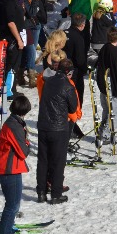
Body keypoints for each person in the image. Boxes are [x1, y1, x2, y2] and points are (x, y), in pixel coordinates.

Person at [36, 59, 78, 204]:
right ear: (69, 72)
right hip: (59, 128)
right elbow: (73, 108)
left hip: (43, 126)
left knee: (43, 160)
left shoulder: (47, 81)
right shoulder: (68, 86)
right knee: (58, 161)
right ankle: (56, 193)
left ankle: (41, 192)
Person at [0, 95, 32, 234]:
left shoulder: (14, 122)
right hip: (9, 170)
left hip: (10, 169)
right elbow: (23, 152)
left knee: (13, 206)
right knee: (12, 206)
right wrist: (27, 144)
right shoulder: (14, 125)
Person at [0, 0, 26, 93]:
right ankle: (9, 91)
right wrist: (18, 39)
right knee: (12, 65)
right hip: (12, 38)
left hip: (16, 36)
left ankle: (11, 89)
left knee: (15, 64)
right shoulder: (9, 1)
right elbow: (11, 23)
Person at [64, 12, 88, 108]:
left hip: (61, 68)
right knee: (76, 95)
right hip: (74, 71)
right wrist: (84, 69)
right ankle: (75, 113)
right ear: (82, 25)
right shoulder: (78, 38)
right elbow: (80, 59)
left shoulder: (63, 33)